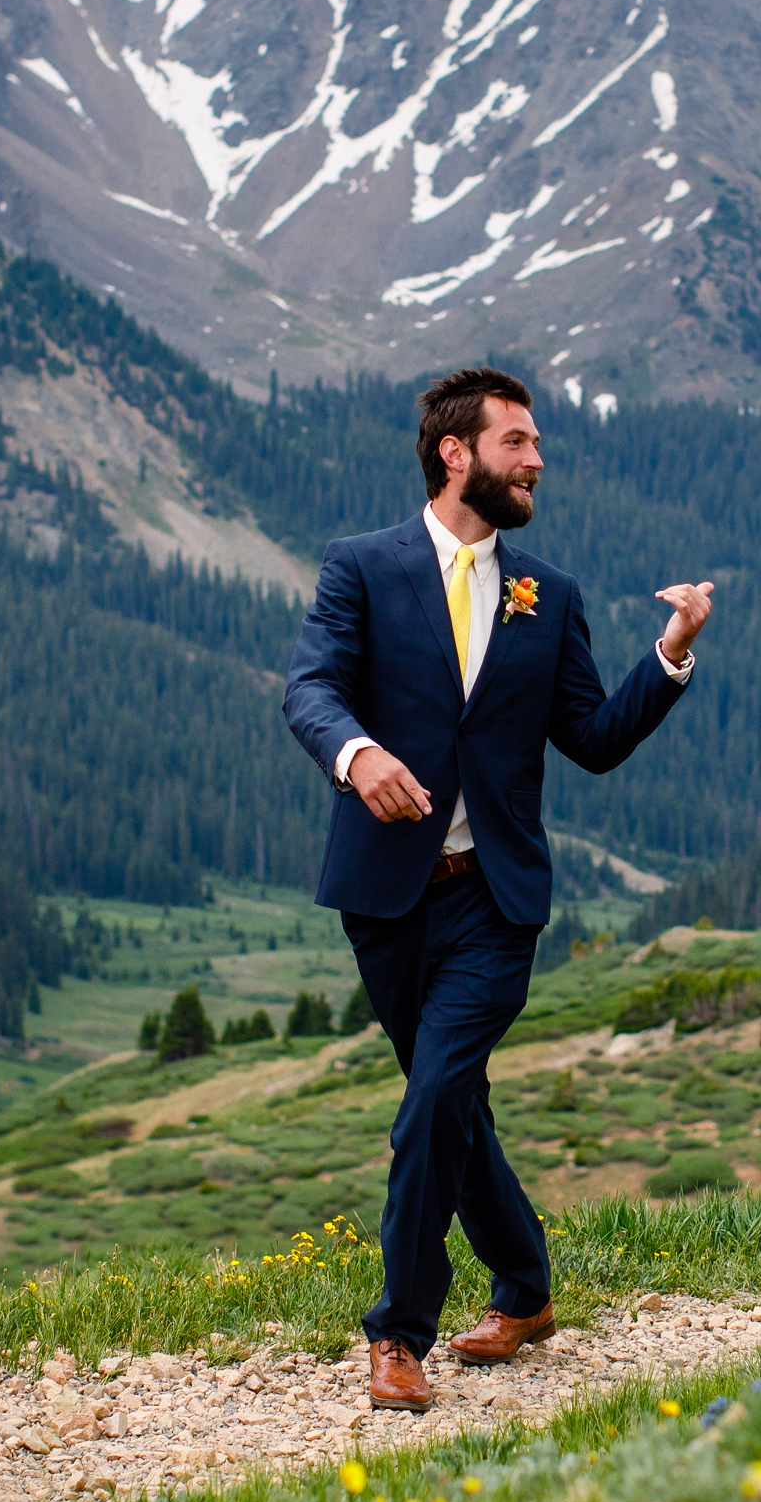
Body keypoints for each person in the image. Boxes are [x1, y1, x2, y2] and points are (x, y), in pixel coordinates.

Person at [282, 368, 714, 1413]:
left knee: (432, 1097)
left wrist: (668, 655)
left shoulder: (547, 593)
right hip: (385, 895)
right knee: (453, 1105)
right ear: (453, 453)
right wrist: (356, 758)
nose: (535, 462)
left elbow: (591, 741)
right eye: (516, 442)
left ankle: (396, 1332)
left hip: (494, 898)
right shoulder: (360, 567)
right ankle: (523, 1289)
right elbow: (310, 687)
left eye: (534, 445)